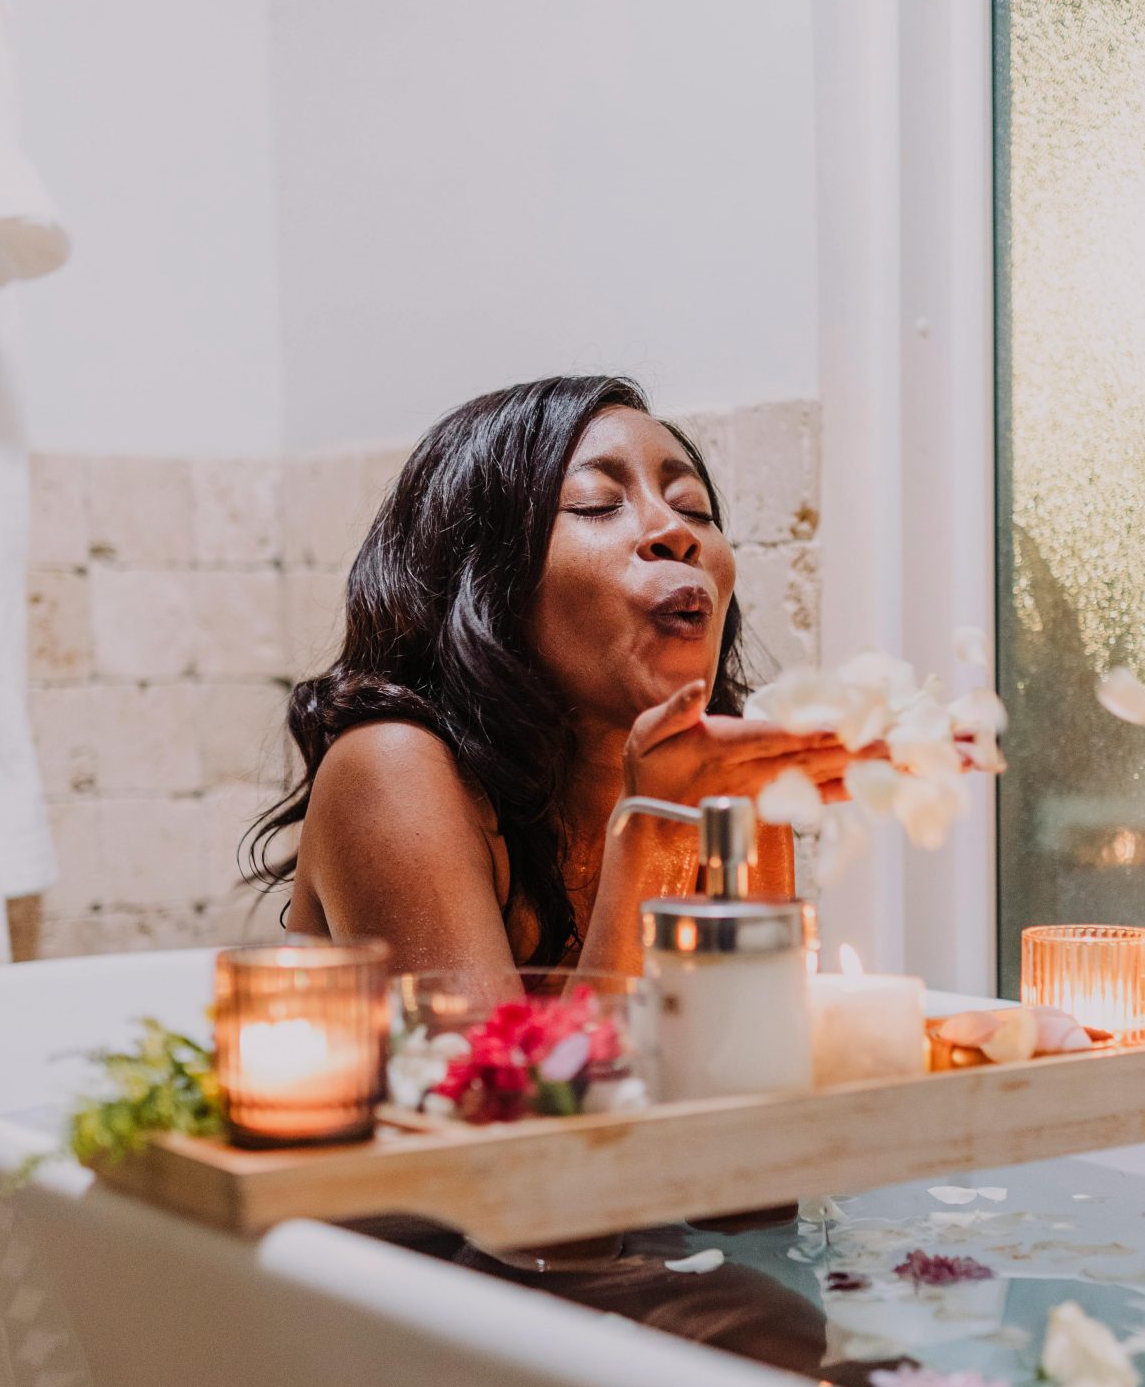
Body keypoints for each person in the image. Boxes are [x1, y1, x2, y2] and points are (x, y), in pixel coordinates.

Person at [248, 375, 855, 990]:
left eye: (693, 508)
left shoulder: (725, 783)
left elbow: (751, 1058)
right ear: (488, 580)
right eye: (595, 503)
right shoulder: (390, 768)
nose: (678, 532)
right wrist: (654, 824)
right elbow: (511, 1085)